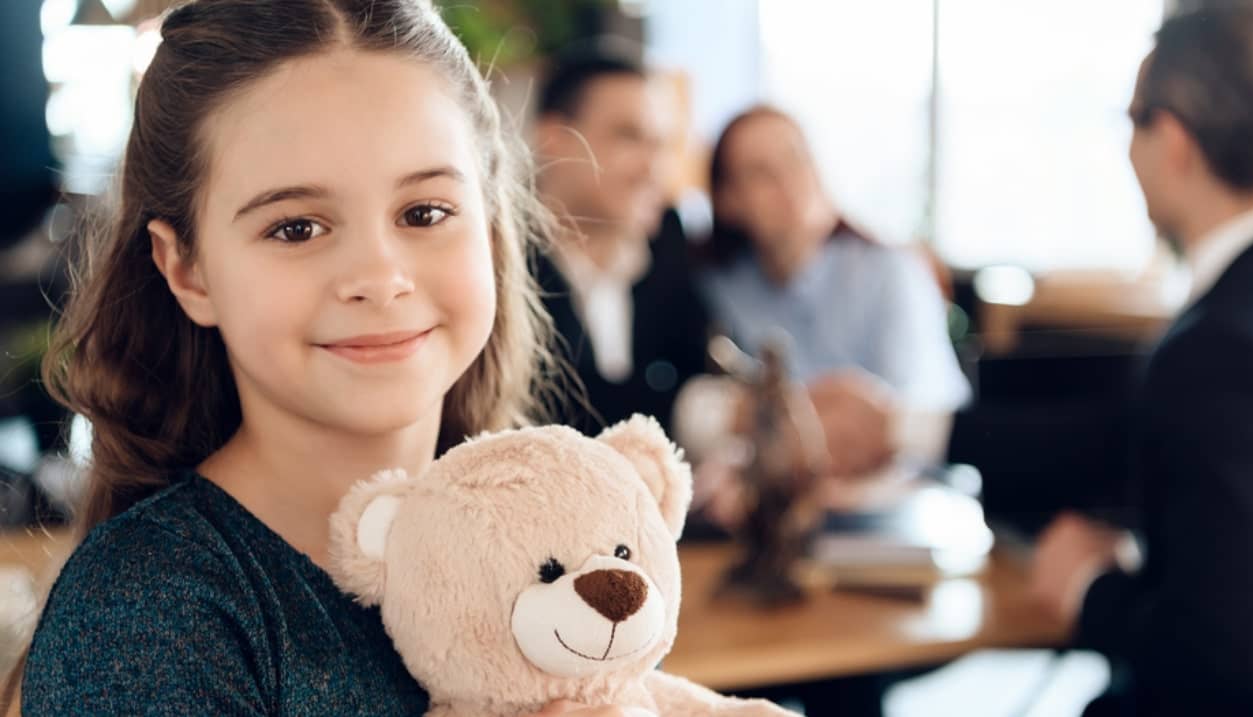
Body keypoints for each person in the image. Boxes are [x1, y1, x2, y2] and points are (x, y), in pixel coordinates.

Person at [15, 2, 633, 715]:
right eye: (296, 227)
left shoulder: (561, 544)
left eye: (424, 212)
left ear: (489, 224)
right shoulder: (143, 615)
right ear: (188, 270)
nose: (378, 275)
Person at [1029, 3, 1253, 714]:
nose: (1126, 149)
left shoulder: (1231, 346)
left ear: (1172, 139)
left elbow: (1215, 666)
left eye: (1131, 120)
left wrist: (1090, 584)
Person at [689, 106, 970, 487]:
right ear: (727, 201)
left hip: (900, 492)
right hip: (778, 497)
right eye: (760, 173)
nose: (787, 182)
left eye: (796, 158)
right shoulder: (718, 287)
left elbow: (922, 414)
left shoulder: (893, 273)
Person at [532, 47, 711, 437]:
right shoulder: (498, 260)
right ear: (554, 139)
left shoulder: (668, 239)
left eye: (661, 145)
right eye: (629, 137)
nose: (654, 168)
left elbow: (703, 365)